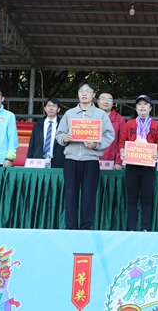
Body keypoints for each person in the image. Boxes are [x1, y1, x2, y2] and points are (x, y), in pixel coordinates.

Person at [56, 81, 114, 230]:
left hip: (91, 160)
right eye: (81, 91)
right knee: (70, 195)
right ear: (78, 94)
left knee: (89, 196)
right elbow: (59, 134)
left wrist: (96, 145)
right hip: (71, 159)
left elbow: (109, 135)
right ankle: (70, 227)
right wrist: (65, 138)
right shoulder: (69, 114)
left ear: (94, 95)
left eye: (88, 91)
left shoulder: (100, 114)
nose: (84, 94)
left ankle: (86, 227)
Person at [118, 95, 158, 231]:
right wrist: (122, 151)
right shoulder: (129, 124)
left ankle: (145, 228)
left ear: (150, 108)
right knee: (132, 199)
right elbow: (121, 141)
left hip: (148, 167)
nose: (142, 106)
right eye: (139, 104)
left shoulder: (156, 125)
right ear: (136, 108)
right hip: (132, 166)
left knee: (146, 199)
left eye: (145, 104)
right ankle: (131, 228)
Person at [26, 97, 65, 168]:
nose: (51, 108)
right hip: (39, 161)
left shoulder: (63, 124)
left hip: (58, 162)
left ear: (58, 109)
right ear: (45, 109)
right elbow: (32, 144)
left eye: (53, 106)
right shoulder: (38, 124)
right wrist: (29, 160)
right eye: (48, 106)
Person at [97, 91, 126, 170]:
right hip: (92, 160)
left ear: (112, 103)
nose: (106, 102)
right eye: (103, 99)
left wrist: (118, 161)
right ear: (98, 102)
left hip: (111, 162)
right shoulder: (91, 117)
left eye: (109, 100)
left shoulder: (120, 119)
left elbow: (122, 142)